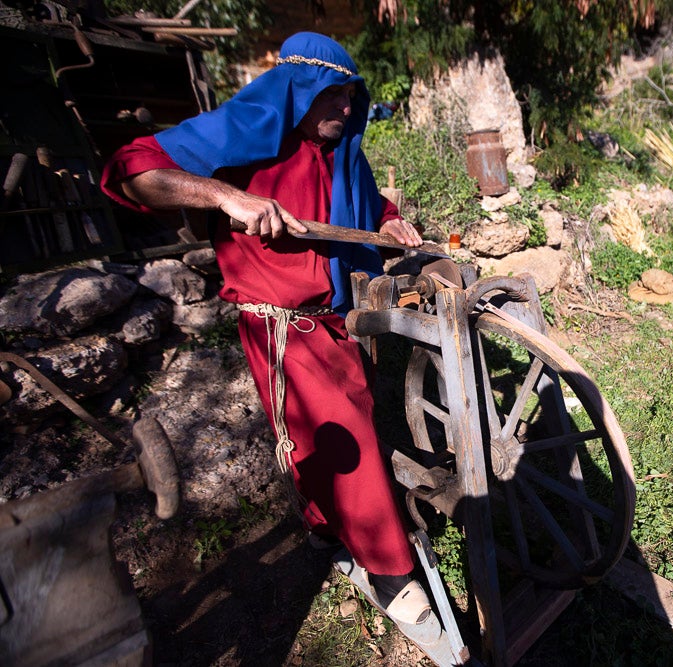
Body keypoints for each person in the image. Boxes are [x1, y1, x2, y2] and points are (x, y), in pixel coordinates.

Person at [101, 33, 433, 624]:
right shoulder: (245, 132)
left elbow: (366, 201)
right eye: (333, 97)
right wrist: (225, 197)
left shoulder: (343, 149)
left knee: (320, 441)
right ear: (298, 91)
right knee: (344, 436)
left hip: (341, 318)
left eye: (351, 97)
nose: (346, 109)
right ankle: (389, 571)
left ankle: (323, 533)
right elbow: (133, 170)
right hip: (284, 327)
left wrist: (393, 220)